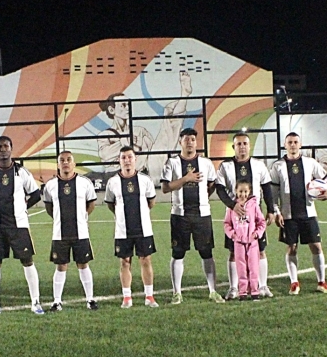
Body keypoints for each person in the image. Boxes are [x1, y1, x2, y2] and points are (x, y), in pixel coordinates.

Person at [0, 136, 44, 317]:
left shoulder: (22, 173)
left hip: (19, 225)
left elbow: (35, 194)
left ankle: (36, 302)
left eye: (6, 146)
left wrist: (22, 208)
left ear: (11, 149)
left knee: (27, 261)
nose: (3, 149)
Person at [161, 128, 224, 304]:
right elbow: (165, 188)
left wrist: (203, 198)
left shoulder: (205, 163)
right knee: (178, 253)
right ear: (180, 142)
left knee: (206, 252)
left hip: (202, 215)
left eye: (193, 139)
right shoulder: (172, 162)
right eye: (186, 139)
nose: (190, 142)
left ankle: (213, 291)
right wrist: (186, 179)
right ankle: (177, 293)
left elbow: (211, 184)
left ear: (196, 142)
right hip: (180, 215)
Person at [270, 132, 327, 295]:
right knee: (291, 248)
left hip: (309, 213)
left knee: (316, 246)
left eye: (295, 142)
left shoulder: (310, 163)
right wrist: (277, 212)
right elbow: (273, 193)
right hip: (288, 216)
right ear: (285, 145)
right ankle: (294, 282)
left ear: (300, 144)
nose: (293, 145)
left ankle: (321, 282)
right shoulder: (278, 166)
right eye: (290, 142)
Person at [216, 131, 276, 299]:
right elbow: (220, 189)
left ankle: (262, 286)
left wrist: (271, 210)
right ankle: (234, 288)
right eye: (239, 144)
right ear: (233, 146)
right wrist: (232, 206)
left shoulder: (258, 165)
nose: (242, 147)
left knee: (260, 251)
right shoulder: (225, 166)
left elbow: (267, 187)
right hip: (234, 216)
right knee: (234, 253)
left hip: (254, 217)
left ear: (250, 146)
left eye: (245, 143)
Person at [43, 150, 99, 311]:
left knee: (83, 264)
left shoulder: (84, 183)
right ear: (58, 164)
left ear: (74, 163)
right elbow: (49, 207)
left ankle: (90, 299)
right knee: (61, 266)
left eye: (69, 160)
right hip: (59, 233)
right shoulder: (50, 185)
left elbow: (91, 204)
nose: (65, 163)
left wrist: (81, 217)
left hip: (81, 232)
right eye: (62, 160)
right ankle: (57, 301)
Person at [104, 146, 159, 309]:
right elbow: (110, 204)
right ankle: (127, 297)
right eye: (123, 157)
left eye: (130, 157)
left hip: (143, 229)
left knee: (146, 260)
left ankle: (149, 296)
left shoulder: (145, 180)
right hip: (122, 231)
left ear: (135, 159)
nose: (127, 160)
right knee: (125, 262)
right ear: (119, 160)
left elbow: (151, 202)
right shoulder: (113, 182)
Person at [223, 180, 266, 300]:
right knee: (241, 268)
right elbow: (227, 224)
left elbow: (261, 222)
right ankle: (242, 292)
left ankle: (254, 292)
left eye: (246, 191)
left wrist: (257, 234)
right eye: (240, 191)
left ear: (249, 191)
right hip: (238, 243)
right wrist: (233, 235)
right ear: (236, 191)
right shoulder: (232, 207)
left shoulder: (254, 205)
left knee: (253, 267)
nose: (243, 194)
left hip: (252, 243)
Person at [98, 94, 154, 173]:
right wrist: (125, 141)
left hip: (141, 174)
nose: (127, 108)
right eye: (123, 105)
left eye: (128, 105)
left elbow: (153, 152)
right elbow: (104, 155)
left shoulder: (140, 131)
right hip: (115, 176)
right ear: (111, 110)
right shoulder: (104, 135)